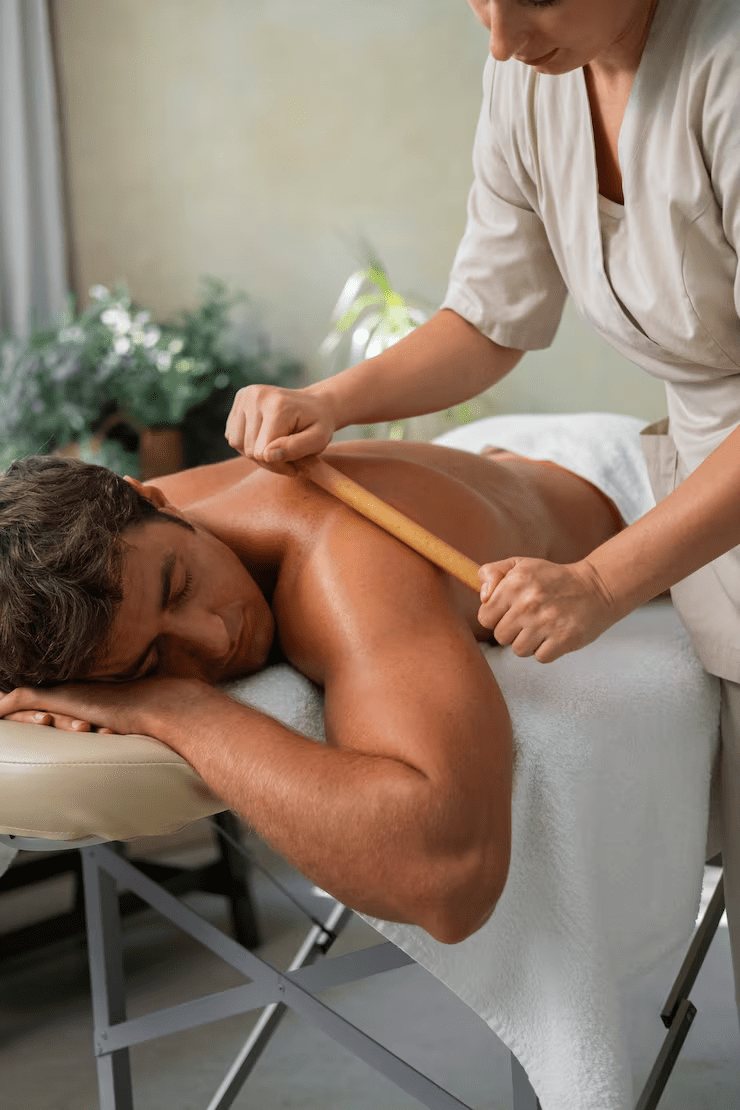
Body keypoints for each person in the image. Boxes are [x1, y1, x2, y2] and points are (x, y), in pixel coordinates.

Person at [223, 0, 740, 999]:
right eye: (478, 0)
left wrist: (598, 581)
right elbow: (489, 317)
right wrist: (329, 404)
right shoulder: (533, 71)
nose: (500, 37)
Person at [0, 434, 627, 940]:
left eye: (180, 585)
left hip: (628, 483)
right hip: (490, 459)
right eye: (150, 659)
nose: (214, 639)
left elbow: (452, 879)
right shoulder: (124, 535)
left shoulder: (344, 555)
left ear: (156, 499)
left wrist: (172, 704)